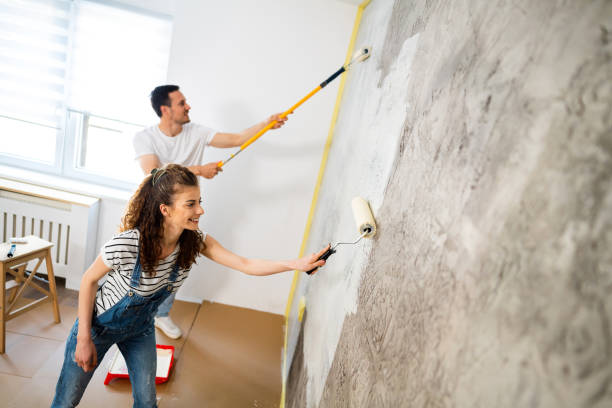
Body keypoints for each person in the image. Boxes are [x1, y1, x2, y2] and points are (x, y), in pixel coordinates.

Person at [51, 164, 327, 408]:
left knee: (147, 402)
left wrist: (295, 264)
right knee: (67, 401)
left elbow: (245, 264)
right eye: (191, 204)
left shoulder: (195, 241)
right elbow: (88, 280)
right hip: (98, 326)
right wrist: (85, 339)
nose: (200, 210)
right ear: (165, 210)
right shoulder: (129, 243)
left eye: (200, 202)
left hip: (139, 329)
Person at [133, 84, 289, 339]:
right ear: (165, 109)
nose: (188, 106)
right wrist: (198, 170)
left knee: (177, 266)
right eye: (182, 103)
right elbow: (151, 173)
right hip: (153, 212)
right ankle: (135, 313)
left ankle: (161, 314)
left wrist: (266, 124)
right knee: (146, 264)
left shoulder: (196, 132)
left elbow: (237, 139)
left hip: (183, 215)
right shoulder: (145, 137)